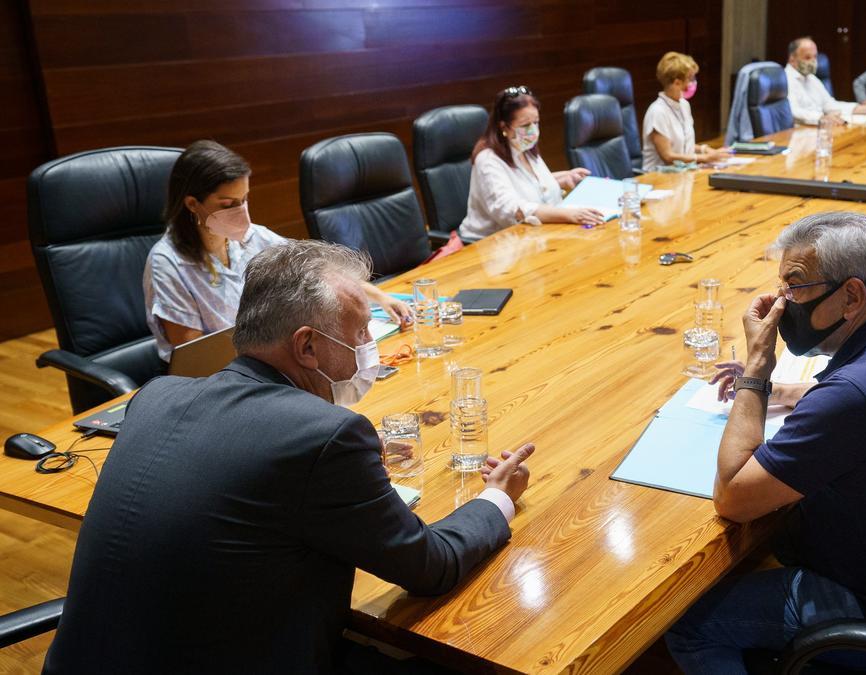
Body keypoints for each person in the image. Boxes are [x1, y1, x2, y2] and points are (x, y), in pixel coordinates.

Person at [45, 240, 536, 674]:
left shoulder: (155, 395)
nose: (371, 349)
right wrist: (496, 498)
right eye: (363, 334)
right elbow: (431, 568)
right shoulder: (327, 437)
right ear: (306, 346)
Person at [666, 212, 866, 674]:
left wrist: (758, 369)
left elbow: (734, 497)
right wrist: (785, 393)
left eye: (795, 287)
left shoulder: (854, 398)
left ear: (851, 296)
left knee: (690, 625)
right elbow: (858, 402)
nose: (782, 303)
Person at [144, 140, 412, 362]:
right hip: (221, 379)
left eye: (245, 199)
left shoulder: (251, 237)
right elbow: (194, 359)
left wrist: (380, 297)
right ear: (192, 204)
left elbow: (317, 269)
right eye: (228, 204)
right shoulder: (168, 262)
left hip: (268, 364)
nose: (241, 212)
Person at [459, 86, 600, 241]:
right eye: (525, 125)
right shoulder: (487, 160)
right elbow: (511, 209)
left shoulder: (524, 148)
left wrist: (563, 178)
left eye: (536, 122)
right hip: (490, 246)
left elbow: (529, 183)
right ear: (504, 127)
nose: (533, 131)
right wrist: (569, 215)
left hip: (529, 237)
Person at [642, 51, 730, 171]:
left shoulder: (684, 105)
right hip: (658, 178)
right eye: (690, 78)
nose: (694, 82)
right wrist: (705, 158)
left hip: (682, 173)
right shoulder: (657, 112)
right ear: (677, 83)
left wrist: (706, 150)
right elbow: (668, 156)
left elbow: (683, 146)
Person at [784, 37, 866, 126]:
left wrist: (862, 109)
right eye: (807, 57)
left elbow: (828, 104)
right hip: (800, 131)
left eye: (815, 57)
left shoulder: (811, 78)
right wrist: (821, 118)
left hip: (818, 129)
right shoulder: (785, 79)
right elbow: (792, 111)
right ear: (792, 59)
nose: (813, 61)